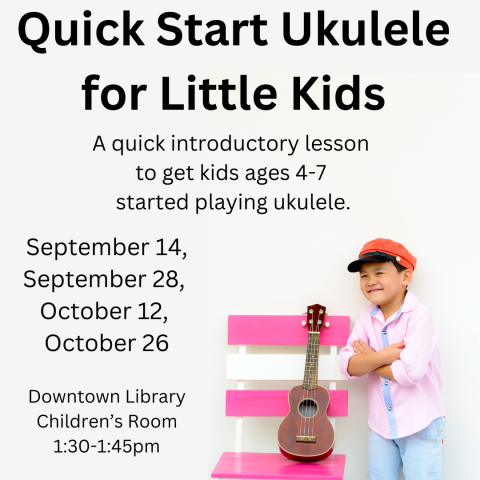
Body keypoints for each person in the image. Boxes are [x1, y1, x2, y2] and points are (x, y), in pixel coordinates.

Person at [339, 238, 444, 480]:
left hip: (421, 424)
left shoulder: (418, 317)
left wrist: (370, 361)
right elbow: (347, 365)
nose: (370, 281)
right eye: (364, 276)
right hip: (381, 427)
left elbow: (410, 374)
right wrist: (384, 356)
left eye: (379, 272)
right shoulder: (367, 317)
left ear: (405, 277)